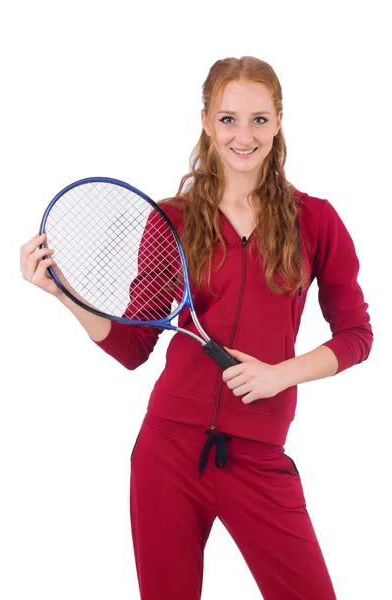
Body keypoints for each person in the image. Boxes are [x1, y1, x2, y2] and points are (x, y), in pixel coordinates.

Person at [20, 56, 373, 600]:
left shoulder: (316, 220)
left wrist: (281, 375)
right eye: (228, 118)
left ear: (279, 121)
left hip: (258, 455)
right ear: (207, 122)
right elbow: (135, 345)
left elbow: (356, 335)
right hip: (167, 453)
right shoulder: (174, 220)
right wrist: (66, 295)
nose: (243, 135)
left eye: (259, 119)